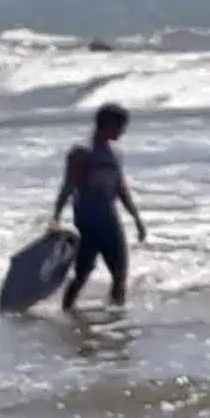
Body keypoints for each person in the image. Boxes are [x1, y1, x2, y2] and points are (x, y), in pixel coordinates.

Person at [50, 102, 148, 311]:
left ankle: (116, 315)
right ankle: (66, 311)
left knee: (120, 274)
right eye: (121, 126)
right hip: (87, 221)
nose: (123, 131)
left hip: (110, 220)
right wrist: (56, 216)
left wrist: (137, 219)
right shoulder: (82, 153)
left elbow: (121, 188)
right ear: (108, 125)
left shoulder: (115, 154)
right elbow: (68, 185)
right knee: (82, 274)